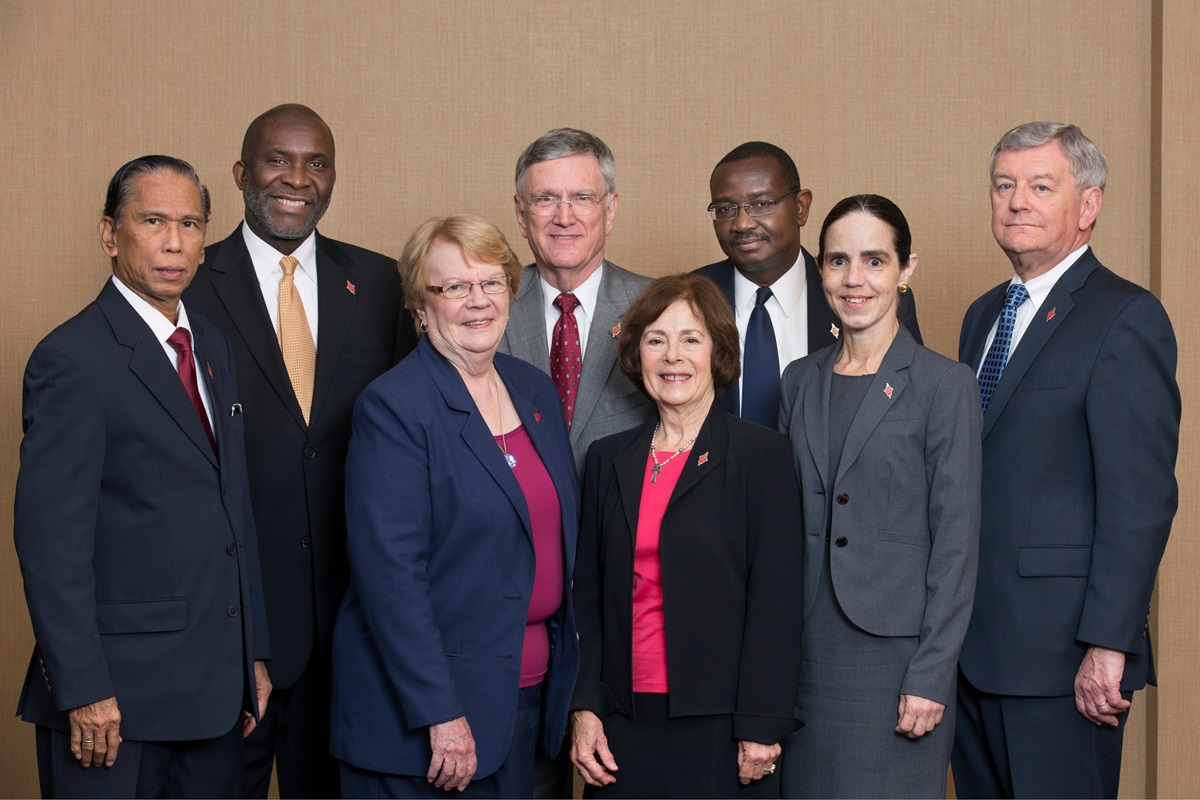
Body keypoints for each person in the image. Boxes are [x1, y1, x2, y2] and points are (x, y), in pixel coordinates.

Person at [14, 156, 271, 798]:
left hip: (214, 692)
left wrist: (253, 655)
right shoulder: (71, 359)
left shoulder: (211, 346)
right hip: (113, 706)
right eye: (153, 220)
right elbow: (51, 545)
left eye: (191, 223)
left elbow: (232, 506)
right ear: (110, 234)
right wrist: (83, 688)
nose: (175, 242)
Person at [184, 103, 415, 797]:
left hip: (353, 622)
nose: (297, 177)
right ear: (241, 173)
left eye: (316, 163)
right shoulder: (187, 284)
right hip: (234, 627)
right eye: (278, 159)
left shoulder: (381, 286)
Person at [951, 122, 1180, 799]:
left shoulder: (1125, 317)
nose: (1017, 201)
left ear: (1088, 205)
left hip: (1063, 660)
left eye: (1040, 186)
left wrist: (1109, 645)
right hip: (970, 652)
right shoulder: (982, 314)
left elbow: (1139, 500)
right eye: (1004, 186)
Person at [329, 215, 580, 798]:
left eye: (492, 283)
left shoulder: (534, 390)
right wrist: (440, 713)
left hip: (527, 700)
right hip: (429, 720)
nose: (478, 301)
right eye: (454, 287)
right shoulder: (394, 408)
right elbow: (390, 579)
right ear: (421, 305)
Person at [778, 195, 982, 798]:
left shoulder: (945, 386)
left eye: (874, 260)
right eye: (838, 261)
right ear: (819, 271)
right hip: (804, 655)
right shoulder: (799, 381)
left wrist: (932, 673)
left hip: (897, 662)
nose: (854, 278)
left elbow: (957, 544)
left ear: (905, 269)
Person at [570, 273, 804, 798]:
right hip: (619, 724)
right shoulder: (608, 459)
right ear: (637, 356)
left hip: (721, 727)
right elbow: (585, 598)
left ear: (719, 352)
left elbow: (776, 603)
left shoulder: (761, 457)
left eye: (691, 339)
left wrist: (761, 726)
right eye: (656, 340)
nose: (672, 356)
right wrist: (585, 707)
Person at [696, 142, 923, 429]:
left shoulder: (863, 296)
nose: (741, 224)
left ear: (801, 207)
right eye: (726, 208)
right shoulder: (689, 298)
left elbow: (910, 407)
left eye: (761, 204)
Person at [501, 127, 653, 479]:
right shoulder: (489, 306)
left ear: (610, 211)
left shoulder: (656, 307)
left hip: (622, 525)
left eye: (582, 198)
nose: (564, 217)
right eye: (545, 199)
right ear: (521, 215)